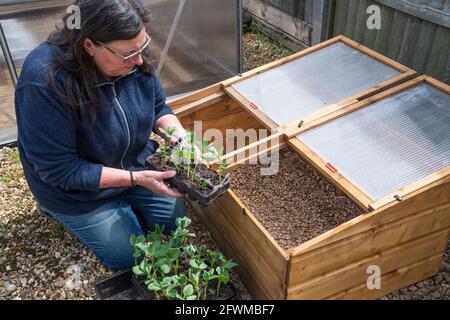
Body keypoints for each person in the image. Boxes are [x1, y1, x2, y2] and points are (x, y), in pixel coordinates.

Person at [14, 0, 189, 270]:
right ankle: (55, 208)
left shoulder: (132, 52)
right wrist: (136, 179)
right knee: (129, 256)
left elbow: (158, 107)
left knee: (174, 223)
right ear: (89, 45)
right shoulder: (44, 81)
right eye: (128, 54)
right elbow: (60, 169)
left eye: (142, 47)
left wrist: (179, 137)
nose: (140, 60)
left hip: (135, 165)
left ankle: (127, 204)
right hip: (77, 192)